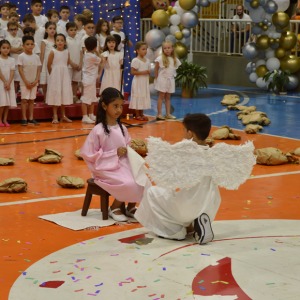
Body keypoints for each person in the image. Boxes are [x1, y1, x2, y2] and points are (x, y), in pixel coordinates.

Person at [135, 113, 256, 242]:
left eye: (183, 130)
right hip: (209, 207)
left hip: (187, 207)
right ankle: (195, 225)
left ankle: (175, 231)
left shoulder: (184, 154)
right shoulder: (214, 155)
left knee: (153, 192)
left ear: (190, 134)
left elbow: (171, 180)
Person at [80, 87, 145, 222]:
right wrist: (113, 154)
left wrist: (129, 149)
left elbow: (126, 143)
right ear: (104, 106)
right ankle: (114, 207)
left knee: (143, 178)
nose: (119, 110)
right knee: (128, 183)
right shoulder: (98, 130)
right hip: (105, 168)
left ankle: (131, 206)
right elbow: (89, 154)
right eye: (115, 106)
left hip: (122, 164)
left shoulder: (122, 128)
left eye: (121, 106)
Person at [46, 33, 73, 124]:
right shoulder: (53, 51)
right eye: (58, 40)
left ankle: (63, 115)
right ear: (55, 42)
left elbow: (67, 63)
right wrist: (53, 75)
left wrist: (63, 73)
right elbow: (48, 65)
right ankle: (55, 116)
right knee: (56, 94)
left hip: (64, 75)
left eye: (62, 40)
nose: (60, 42)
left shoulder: (67, 52)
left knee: (63, 95)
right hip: (55, 76)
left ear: (65, 42)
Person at [18, 36, 41, 126]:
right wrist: (26, 81)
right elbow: (20, 70)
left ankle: (31, 118)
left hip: (34, 82)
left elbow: (38, 69)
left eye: (31, 44)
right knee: (24, 100)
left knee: (31, 100)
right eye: (27, 44)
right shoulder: (21, 56)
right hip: (25, 83)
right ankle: (24, 118)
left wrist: (36, 80)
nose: (30, 46)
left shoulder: (36, 57)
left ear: (34, 45)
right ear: (23, 46)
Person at [154, 40, 180, 120]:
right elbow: (156, 69)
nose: (167, 49)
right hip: (162, 79)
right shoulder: (160, 59)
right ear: (163, 49)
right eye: (165, 48)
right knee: (161, 96)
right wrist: (156, 78)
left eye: (168, 48)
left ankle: (168, 114)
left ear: (172, 49)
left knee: (168, 97)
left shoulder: (175, 59)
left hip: (170, 80)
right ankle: (159, 114)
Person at [81, 37, 102, 124]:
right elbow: (102, 60)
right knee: (85, 99)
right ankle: (85, 117)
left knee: (92, 98)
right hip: (88, 80)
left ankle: (91, 114)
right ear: (95, 47)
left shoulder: (86, 53)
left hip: (91, 80)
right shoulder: (92, 56)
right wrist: (97, 52)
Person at [129, 41, 151, 121]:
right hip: (138, 82)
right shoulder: (135, 60)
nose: (145, 51)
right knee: (138, 96)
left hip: (144, 81)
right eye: (143, 49)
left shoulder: (147, 60)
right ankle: (137, 114)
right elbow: (132, 72)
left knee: (143, 96)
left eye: (146, 49)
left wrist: (148, 72)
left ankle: (142, 113)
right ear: (138, 50)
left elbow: (148, 70)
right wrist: (143, 72)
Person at [0, 40, 16, 127]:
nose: (6, 50)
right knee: (2, 102)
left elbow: (12, 72)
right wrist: (5, 82)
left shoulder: (12, 59)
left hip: (9, 83)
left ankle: (5, 119)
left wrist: (9, 82)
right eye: (3, 48)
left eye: (7, 48)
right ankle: (0, 120)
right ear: (0, 49)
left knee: (7, 102)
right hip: (1, 82)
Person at [6, 21, 23, 102]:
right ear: (8, 30)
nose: (13, 31)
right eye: (11, 29)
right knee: (9, 80)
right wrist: (16, 49)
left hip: (18, 62)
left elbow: (23, 50)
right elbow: (10, 49)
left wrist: (14, 49)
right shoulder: (6, 39)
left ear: (17, 29)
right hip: (8, 62)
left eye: (15, 29)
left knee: (16, 80)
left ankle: (15, 97)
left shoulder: (20, 39)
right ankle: (8, 96)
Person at [66, 22, 83, 104]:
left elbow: (81, 53)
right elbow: (65, 53)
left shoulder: (79, 40)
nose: (73, 32)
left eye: (75, 30)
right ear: (66, 31)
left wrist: (80, 64)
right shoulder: (66, 40)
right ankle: (68, 97)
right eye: (71, 30)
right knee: (68, 82)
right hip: (69, 65)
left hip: (78, 65)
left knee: (76, 81)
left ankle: (74, 96)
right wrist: (71, 63)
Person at [40, 21, 56, 102]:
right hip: (46, 63)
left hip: (54, 63)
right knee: (46, 82)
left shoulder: (57, 41)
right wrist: (41, 65)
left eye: (54, 29)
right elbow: (42, 54)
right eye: (50, 28)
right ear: (46, 30)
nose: (52, 30)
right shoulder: (44, 41)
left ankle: (53, 98)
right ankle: (46, 98)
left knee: (53, 82)